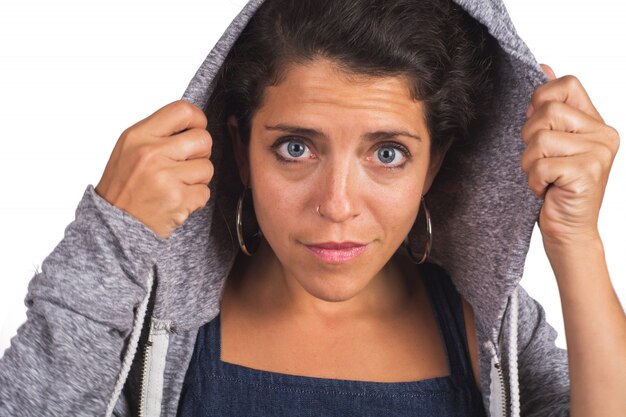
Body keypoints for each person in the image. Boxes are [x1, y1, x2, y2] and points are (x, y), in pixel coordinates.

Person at [0, 0, 624, 416]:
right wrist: (112, 233)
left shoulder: (489, 330)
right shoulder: (143, 320)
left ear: (434, 165)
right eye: (295, 148)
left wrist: (576, 239)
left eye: (388, 154)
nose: (337, 205)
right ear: (240, 151)